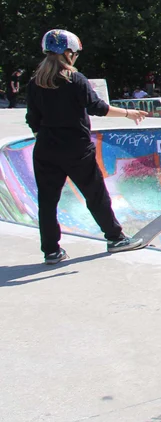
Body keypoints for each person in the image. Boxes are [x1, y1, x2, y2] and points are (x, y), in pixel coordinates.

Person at [26, 29, 149, 264]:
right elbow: (97, 107)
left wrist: (46, 139)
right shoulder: (74, 79)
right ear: (69, 53)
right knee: (95, 195)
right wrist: (127, 113)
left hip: (45, 150)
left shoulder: (35, 83)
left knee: (47, 201)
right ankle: (115, 238)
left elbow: (33, 120)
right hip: (77, 150)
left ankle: (51, 251)